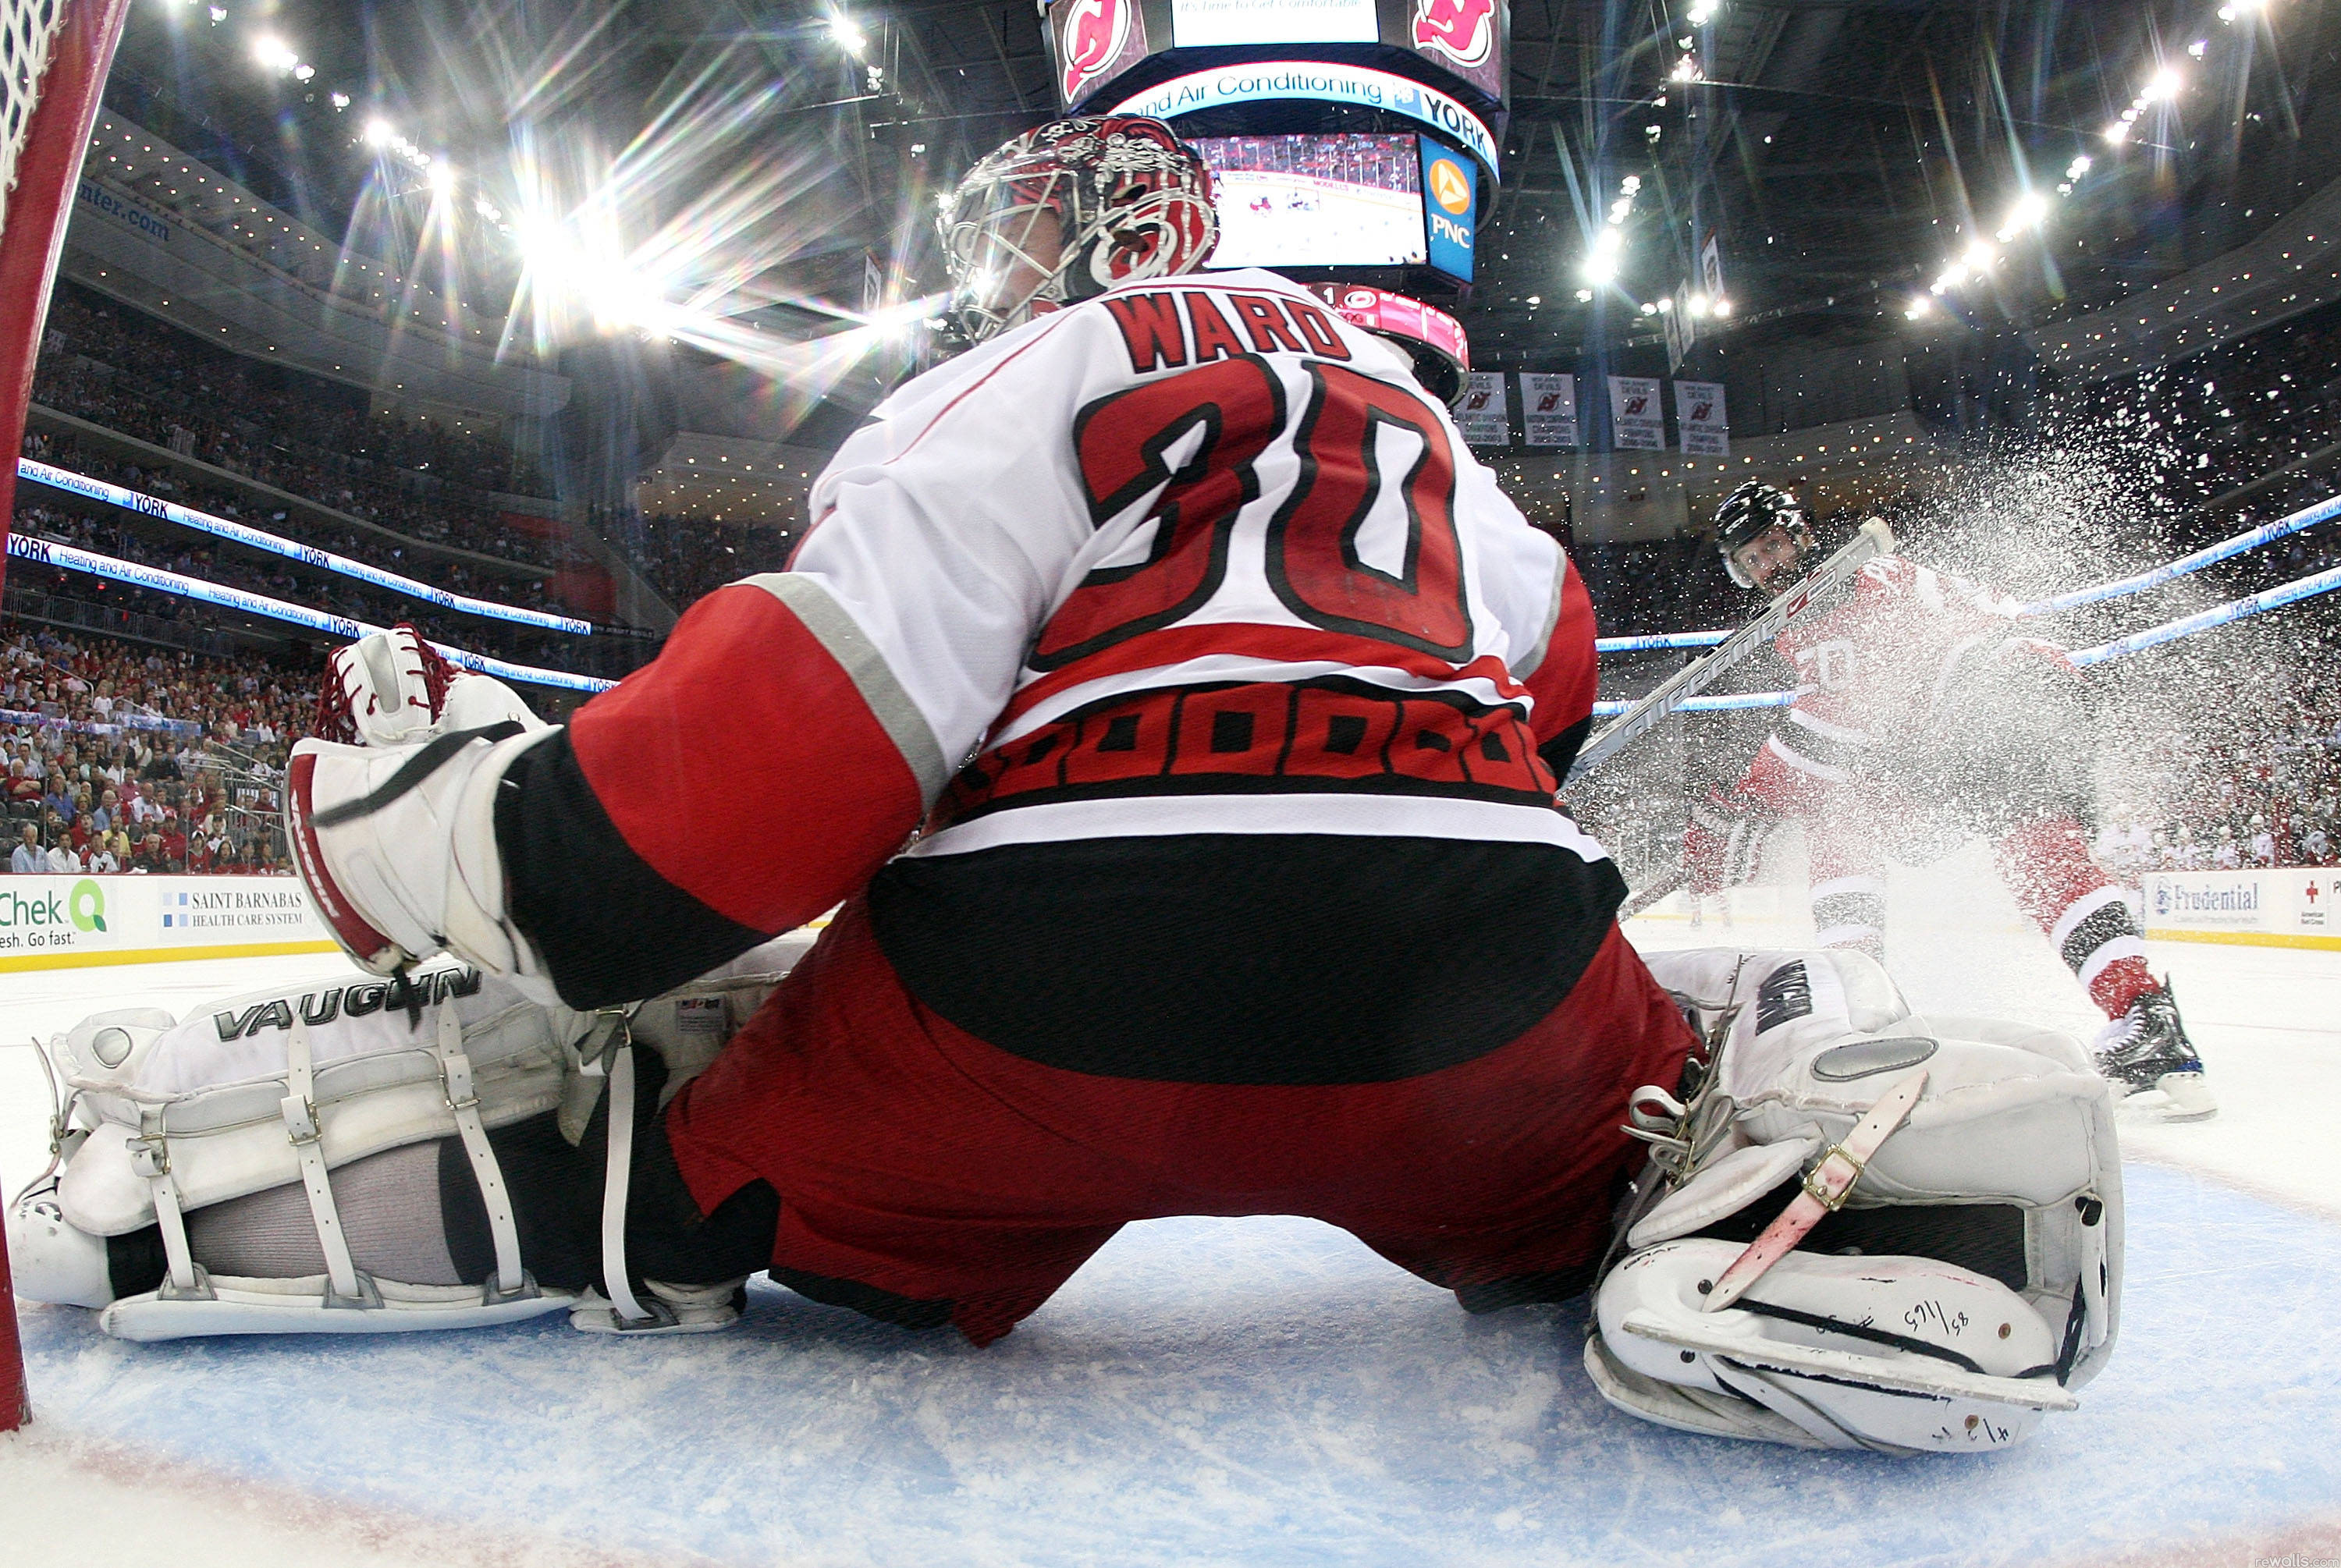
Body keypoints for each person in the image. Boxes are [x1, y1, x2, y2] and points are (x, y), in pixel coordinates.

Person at [5, 119, 2126, 1457]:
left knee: (670, 1134)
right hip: (1476, 1022)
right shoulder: (1411, 410)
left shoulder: (995, 388)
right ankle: (1749, 1189)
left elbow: (702, 828)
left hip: (1032, 1032)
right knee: (1633, 1101)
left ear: (1031, 261)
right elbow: (1549, 686)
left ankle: (156, 1219)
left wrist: (423, 813)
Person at [1685, 482, 2214, 1120]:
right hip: (1998, 704)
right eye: (1752, 560)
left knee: (1851, 819)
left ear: (1801, 535)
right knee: (2013, 848)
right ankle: (2146, 1018)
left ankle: (1857, 1020)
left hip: (1994, 697)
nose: (1769, 566)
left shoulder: (1838, 594)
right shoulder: (1854, 585)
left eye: (1771, 545)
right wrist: (1759, 808)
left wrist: (1744, 808)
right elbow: (1864, 722)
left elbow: (1832, 722)